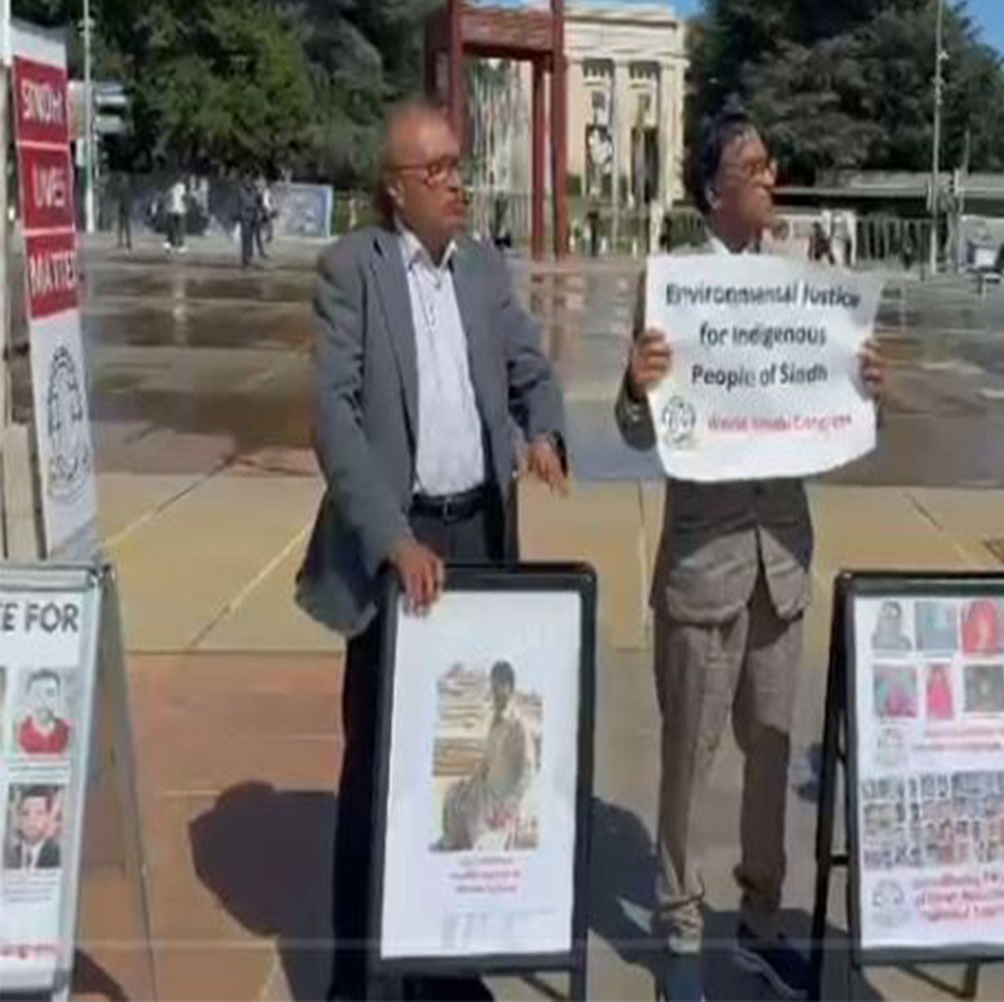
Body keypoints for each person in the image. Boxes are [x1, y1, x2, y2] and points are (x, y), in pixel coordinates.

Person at [295, 100, 569, 1002]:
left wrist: (545, 433)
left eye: (459, 163)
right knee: (378, 770)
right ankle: (354, 975)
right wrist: (393, 540)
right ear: (395, 188)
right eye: (439, 169)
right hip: (395, 547)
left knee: (461, 762)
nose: (458, 180)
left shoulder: (484, 269)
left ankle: (444, 969)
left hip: (477, 539)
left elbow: (530, 368)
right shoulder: (352, 273)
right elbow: (335, 421)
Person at [617, 103, 884, 1002]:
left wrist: (860, 382)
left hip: (782, 557)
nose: (771, 177)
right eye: (755, 167)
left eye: (771, 164)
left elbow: (831, 409)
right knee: (689, 757)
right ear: (713, 191)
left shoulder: (801, 282)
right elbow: (633, 427)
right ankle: (680, 930)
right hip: (705, 562)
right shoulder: (673, 286)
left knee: (772, 750)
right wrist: (634, 385)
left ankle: (763, 922)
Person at [437, 660, 531, 853]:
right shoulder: (494, 723)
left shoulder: (518, 726)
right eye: (493, 685)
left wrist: (511, 803)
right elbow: (486, 762)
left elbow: (527, 772)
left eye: (500, 686)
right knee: (453, 796)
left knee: (480, 830)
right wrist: (470, 782)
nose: (495, 691)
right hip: (485, 791)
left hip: (502, 799)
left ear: (510, 688)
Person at [4, 787, 62, 871]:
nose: (31, 820)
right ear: (19, 819)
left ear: (48, 817)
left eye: (39, 813)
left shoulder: (58, 857)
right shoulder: (8, 856)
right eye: (25, 813)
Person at [16, 669, 71, 756]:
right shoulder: (17, 734)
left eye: (50, 693)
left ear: (58, 697)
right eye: (37, 694)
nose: (43, 700)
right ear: (28, 698)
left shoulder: (70, 733)